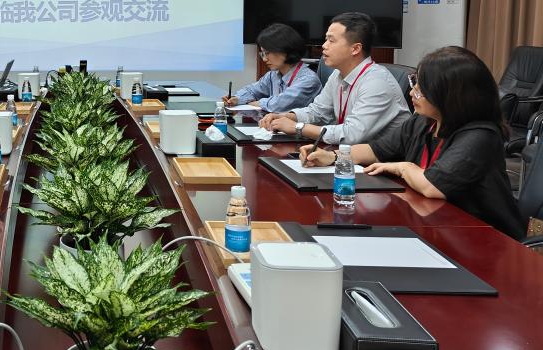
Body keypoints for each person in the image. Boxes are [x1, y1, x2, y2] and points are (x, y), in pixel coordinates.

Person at [300, 46, 526, 239]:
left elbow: (432, 186)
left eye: (421, 89)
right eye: (415, 83)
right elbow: (376, 149)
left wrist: (403, 167)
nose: (412, 93)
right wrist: (334, 157)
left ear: (450, 96)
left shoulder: (480, 135)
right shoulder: (423, 122)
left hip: (482, 237)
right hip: (435, 226)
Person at [259, 12, 409, 144]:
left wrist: (297, 127)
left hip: (384, 163)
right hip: (348, 156)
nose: (324, 46)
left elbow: (351, 135)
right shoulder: (337, 74)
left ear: (355, 49)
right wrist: (286, 117)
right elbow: (318, 112)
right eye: (326, 39)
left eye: (331, 40)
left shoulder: (377, 83)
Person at [224, 23, 321, 113]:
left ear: (285, 49)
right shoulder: (273, 75)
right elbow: (252, 90)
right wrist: (237, 99)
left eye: (267, 53)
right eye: (262, 54)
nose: (264, 59)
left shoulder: (308, 79)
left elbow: (281, 104)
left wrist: (258, 103)